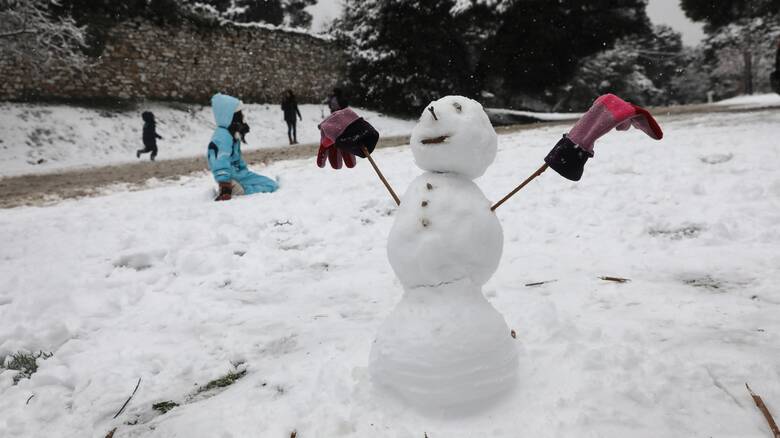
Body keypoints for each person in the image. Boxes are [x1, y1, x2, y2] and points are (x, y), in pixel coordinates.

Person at [208, 93, 278, 201]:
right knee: (270, 186)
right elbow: (219, 159)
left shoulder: (231, 133)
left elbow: (237, 158)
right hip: (232, 177)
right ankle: (239, 190)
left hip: (239, 174)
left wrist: (244, 170)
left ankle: (239, 187)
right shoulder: (222, 136)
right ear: (229, 116)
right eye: (239, 114)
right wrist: (224, 182)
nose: (242, 117)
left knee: (271, 184)